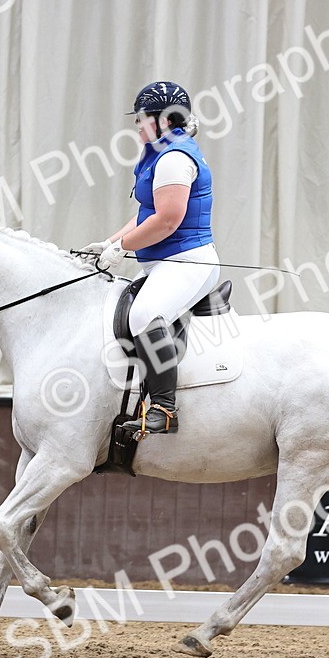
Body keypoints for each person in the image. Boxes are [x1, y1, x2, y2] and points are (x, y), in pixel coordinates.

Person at [80, 81, 220, 435]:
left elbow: (168, 220)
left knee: (144, 315)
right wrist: (109, 242)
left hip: (188, 261)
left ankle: (164, 408)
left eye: (141, 118)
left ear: (164, 119)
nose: (137, 124)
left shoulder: (174, 159)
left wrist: (122, 248)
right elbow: (148, 213)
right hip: (165, 262)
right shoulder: (159, 152)